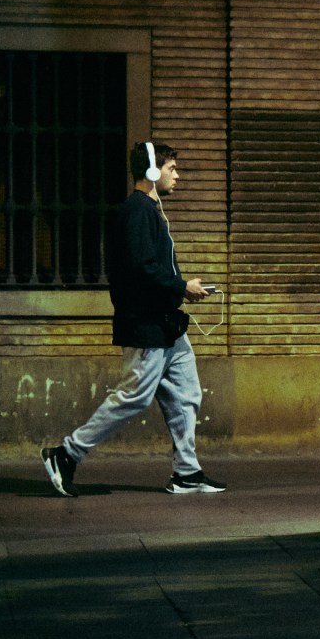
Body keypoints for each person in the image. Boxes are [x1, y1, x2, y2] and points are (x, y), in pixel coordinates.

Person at [40, 141, 227, 496]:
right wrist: (182, 287)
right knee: (133, 397)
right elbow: (142, 269)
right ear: (154, 171)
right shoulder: (138, 210)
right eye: (173, 169)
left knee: (187, 395)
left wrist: (179, 291)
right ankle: (65, 454)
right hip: (146, 325)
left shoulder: (150, 210)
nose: (178, 177)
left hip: (167, 324)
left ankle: (187, 473)